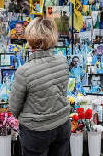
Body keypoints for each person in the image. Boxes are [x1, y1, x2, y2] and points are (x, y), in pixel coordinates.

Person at [9, 17, 70, 156]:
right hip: (62, 124)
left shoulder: (24, 71)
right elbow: (61, 92)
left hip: (36, 131)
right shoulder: (62, 61)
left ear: (31, 40)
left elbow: (13, 108)